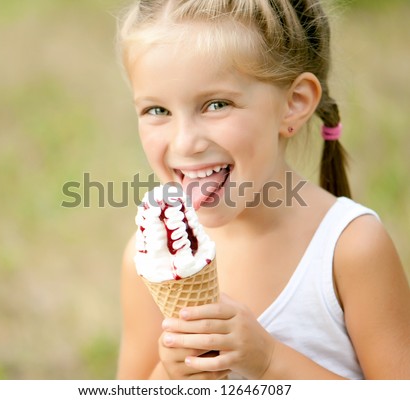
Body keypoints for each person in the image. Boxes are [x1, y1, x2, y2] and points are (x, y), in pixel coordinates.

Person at [116, 0, 410, 379]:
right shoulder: (150, 258)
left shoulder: (351, 247)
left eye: (216, 104)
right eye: (157, 111)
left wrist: (270, 360)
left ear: (294, 103)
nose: (184, 142)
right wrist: (170, 377)